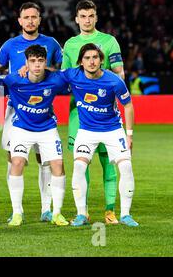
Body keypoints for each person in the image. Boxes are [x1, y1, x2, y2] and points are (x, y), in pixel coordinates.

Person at [0, 2, 63, 222]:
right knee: (14, 158)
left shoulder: (51, 44)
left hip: (43, 108)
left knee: (46, 160)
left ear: (40, 19)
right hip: (16, 108)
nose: (30, 21)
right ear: (19, 20)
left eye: (34, 17)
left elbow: (61, 71)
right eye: (26, 17)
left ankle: (46, 208)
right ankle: (16, 210)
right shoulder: (11, 45)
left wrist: (37, 69)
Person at [59, 43, 138, 227]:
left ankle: (125, 215)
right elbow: (50, 74)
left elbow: (128, 105)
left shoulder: (114, 80)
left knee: (125, 166)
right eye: (87, 58)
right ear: (81, 61)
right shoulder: (73, 74)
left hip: (112, 129)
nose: (91, 61)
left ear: (101, 60)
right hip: (87, 131)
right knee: (79, 166)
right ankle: (81, 215)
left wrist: (130, 134)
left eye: (95, 57)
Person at [62, 0, 125, 224]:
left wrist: (103, 88)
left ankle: (110, 211)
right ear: (76, 19)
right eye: (83, 16)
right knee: (81, 163)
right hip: (78, 114)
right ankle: (83, 212)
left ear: (96, 17)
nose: (87, 20)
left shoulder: (109, 41)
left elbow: (120, 74)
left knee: (109, 163)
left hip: (107, 113)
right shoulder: (69, 45)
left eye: (91, 16)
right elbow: (65, 77)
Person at [2, 45, 69, 226]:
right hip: (21, 128)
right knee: (16, 162)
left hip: (47, 128)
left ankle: (56, 213)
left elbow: (73, 74)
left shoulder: (55, 80)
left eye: (40, 61)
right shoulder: (14, 80)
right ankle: (17, 213)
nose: (37, 65)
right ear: (26, 63)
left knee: (57, 164)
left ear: (45, 63)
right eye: (32, 61)